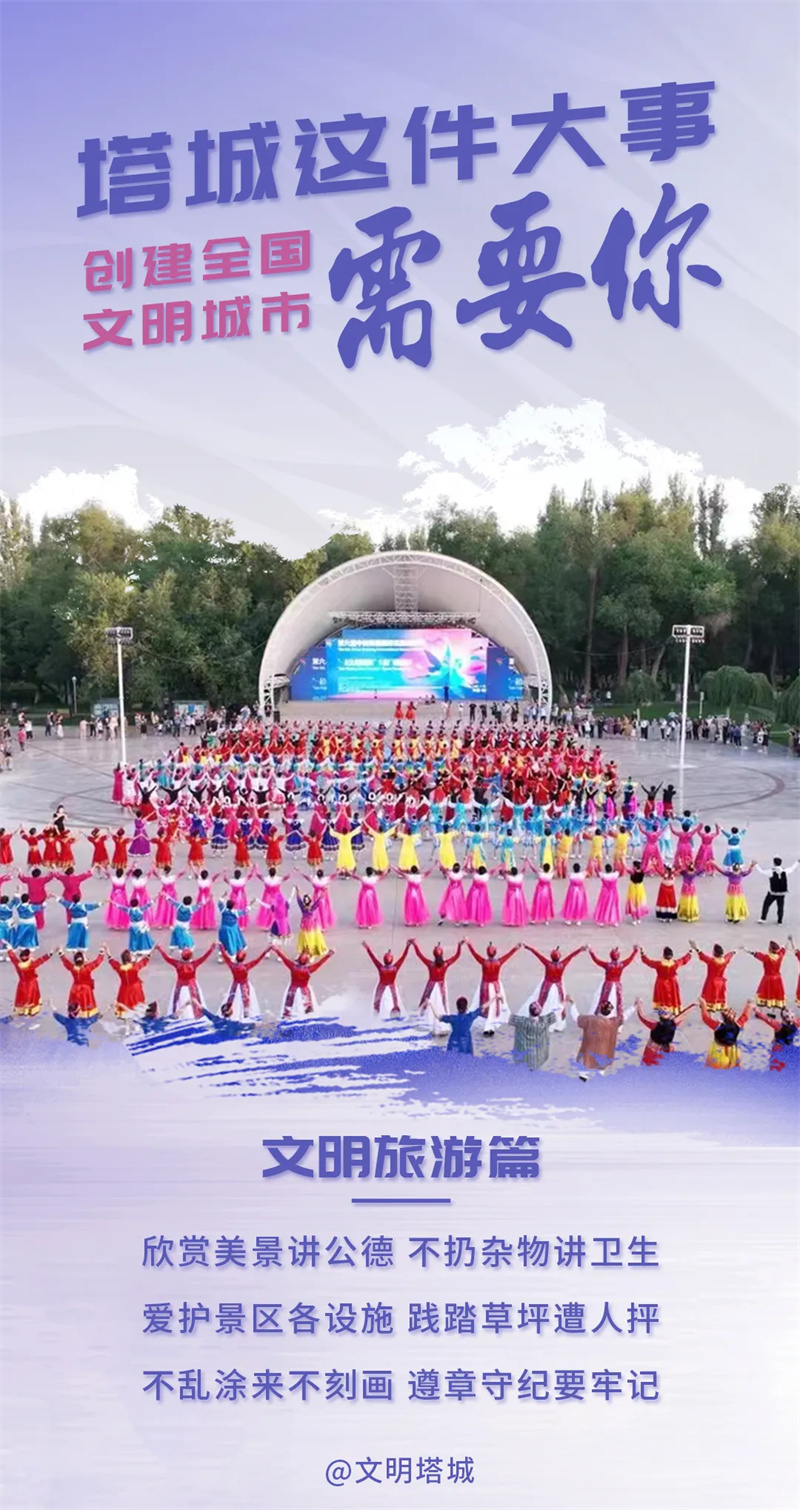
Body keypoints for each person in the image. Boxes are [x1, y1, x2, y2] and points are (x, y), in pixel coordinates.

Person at [523, 945, 585, 1030]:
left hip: (547, 985)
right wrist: (580, 949)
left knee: (542, 1002)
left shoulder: (548, 964)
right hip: (558, 987)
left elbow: (537, 955)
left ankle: (539, 1019)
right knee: (559, 1004)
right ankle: (556, 1024)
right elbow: (571, 956)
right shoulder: (562, 964)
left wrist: (529, 948)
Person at [465, 940, 520, 1035]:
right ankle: (491, 1025)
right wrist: (515, 948)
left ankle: (486, 1025)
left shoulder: (484, 962)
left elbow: (474, 954)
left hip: (485, 985)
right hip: (495, 985)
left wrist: (469, 944)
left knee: (483, 1005)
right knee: (494, 1006)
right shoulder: (498, 962)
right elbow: (508, 956)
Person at [411, 940, 464, 1033]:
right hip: (441, 986)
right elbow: (457, 955)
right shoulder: (445, 964)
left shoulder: (430, 965)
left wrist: (415, 944)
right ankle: (443, 1022)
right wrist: (459, 946)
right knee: (442, 1004)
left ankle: (428, 1021)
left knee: (428, 1003)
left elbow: (419, 955)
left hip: (431, 985)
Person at [271, 946, 334, 1019]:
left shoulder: (293, 967)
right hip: (304, 990)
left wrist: (276, 950)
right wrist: (329, 955)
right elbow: (320, 963)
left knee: (289, 1006)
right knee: (307, 1006)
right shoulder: (309, 969)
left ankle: (286, 1017)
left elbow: (284, 958)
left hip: (293, 989)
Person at [156, 944, 215, 1019]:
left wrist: (160, 948)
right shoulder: (194, 964)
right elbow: (205, 957)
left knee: (177, 1001)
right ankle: (196, 1015)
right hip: (192, 985)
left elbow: (167, 958)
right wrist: (212, 948)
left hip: (180, 985)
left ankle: (177, 1015)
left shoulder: (177, 964)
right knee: (196, 1001)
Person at [573, 997, 626, 1079]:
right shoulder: (613, 1023)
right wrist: (634, 1007)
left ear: (599, 1009)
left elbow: (576, 1017)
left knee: (583, 1072)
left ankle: (583, 1082)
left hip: (588, 1053)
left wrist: (572, 1004)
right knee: (600, 1072)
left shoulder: (590, 1020)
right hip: (603, 1055)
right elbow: (624, 1016)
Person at [218, 945, 270, 1020]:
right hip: (244, 985)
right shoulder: (246, 967)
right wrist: (266, 950)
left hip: (235, 985)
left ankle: (227, 1015)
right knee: (246, 1001)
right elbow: (258, 960)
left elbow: (225, 956)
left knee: (231, 999)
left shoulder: (233, 966)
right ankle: (246, 1016)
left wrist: (221, 947)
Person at [362, 941, 412, 1019]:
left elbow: (373, 958)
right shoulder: (395, 968)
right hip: (392, 985)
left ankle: (375, 1016)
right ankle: (396, 1011)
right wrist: (407, 946)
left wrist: (367, 948)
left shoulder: (381, 968)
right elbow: (403, 957)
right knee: (395, 1000)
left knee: (377, 1001)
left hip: (382, 984)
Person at [637, 1000, 694, 1066]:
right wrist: (693, 1006)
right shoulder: (674, 1022)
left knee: (649, 1065)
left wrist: (639, 1005)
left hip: (654, 1048)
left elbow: (642, 1016)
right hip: (665, 1048)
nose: (664, 1009)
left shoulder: (654, 1024)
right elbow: (684, 1014)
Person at [700, 1001, 752, 1069]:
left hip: (718, 1049)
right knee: (733, 1066)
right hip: (732, 1049)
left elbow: (705, 1018)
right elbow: (745, 1016)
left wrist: (703, 1004)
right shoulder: (737, 1024)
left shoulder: (718, 1025)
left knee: (715, 1067)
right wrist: (748, 1006)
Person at [588, 946, 638, 1014]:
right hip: (617, 984)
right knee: (619, 1000)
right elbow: (630, 959)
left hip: (608, 983)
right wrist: (635, 951)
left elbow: (596, 960)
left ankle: (599, 1012)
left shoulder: (607, 965)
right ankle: (619, 1014)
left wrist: (591, 952)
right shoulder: (621, 965)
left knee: (603, 998)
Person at [639, 947, 691, 1012]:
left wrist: (643, 953)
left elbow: (648, 962)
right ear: (672, 956)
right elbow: (683, 960)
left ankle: (663, 1011)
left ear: (663, 955)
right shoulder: (675, 963)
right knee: (673, 996)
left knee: (662, 997)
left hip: (661, 983)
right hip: (672, 983)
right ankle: (674, 1010)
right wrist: (690, 952)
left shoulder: (659, 964)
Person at [58, 948, 106, 1017]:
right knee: (87, 1002)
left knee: (74, 1003)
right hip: (86, 989)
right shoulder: (87, 968)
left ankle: (73, 1013)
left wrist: (61, 953)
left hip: (75, 989)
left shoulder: (73, 968)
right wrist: (101, 952)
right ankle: (88, 1014)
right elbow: (96, 962)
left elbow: (66, 962)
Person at [8, 947, 53, 1017]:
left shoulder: (18, 964)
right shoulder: (31, 964)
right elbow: (40, 961)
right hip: (31, 984)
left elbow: (13, 958)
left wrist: (9, 950)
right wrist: (49, 955)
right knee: (30, 998)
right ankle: (29, 1011)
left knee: (22, 997)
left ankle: (21, 1010)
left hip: (22, 984)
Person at [690, 942, 736, 1010]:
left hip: (711, 983)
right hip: (720, 983)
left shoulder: (711, 961)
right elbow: (729, 955)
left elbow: (702, 956)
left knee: (708, 1002)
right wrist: (734, 951)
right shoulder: (724, 960)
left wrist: (696, 948)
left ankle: (709, 1013)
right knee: (718, 1000)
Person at [108, 950, 150, 1019]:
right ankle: (137, 1018)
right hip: (135, 988)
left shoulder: (119, 968)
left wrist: (107, 951)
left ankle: (125, 1020)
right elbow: (145, 960)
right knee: (137, 1003)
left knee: (124, 1004)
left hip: (124, 989)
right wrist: (153, 950)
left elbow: (111, 960)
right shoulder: (134, 967)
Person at [755, 858, 798, 925]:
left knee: (766, 905)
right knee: (780, 907)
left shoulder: (771, 871)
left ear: (774, 863)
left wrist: (756, 865)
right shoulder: (785, 871)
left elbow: (762, 871)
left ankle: (763, 918)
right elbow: (792, 868)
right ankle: (780, 921)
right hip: (782, 893)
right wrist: (797, 862)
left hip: (773, 893)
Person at [747, 943, 787, 1010]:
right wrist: (787, 943)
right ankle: (775, 1005)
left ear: (770, 949)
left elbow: (755, 954)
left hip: (768, 978)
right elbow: (783, 949)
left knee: (767, 992)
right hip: (777, 978)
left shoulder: (767, 958)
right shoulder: (780, 956)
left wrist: (746, 949)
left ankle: (767, 1004)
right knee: (777, 993)